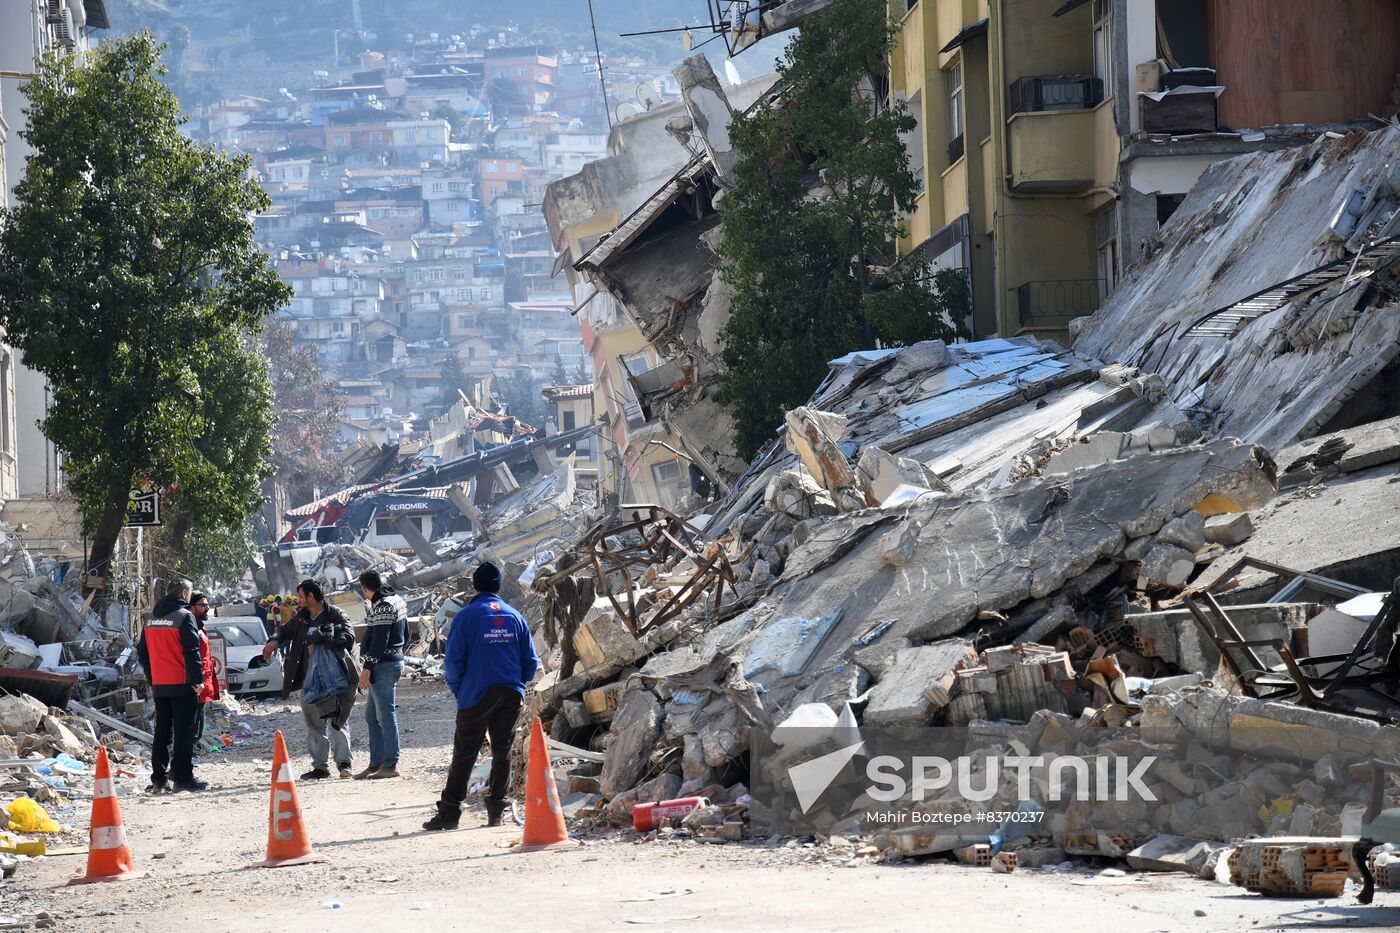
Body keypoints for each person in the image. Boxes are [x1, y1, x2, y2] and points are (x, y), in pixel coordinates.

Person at [424, 561, 538, 831]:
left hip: (476, 693)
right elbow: (531, 663)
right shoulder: (515, 616)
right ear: (498, 586)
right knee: (503, 750)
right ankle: (496, 810)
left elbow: (452, 663)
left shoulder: (466, 616)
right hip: (511, 692)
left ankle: (450, 814)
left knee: (465, 754)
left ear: (475, 586)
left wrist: (459, 691)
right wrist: (518, 685)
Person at [261, 579, 359, 779]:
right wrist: (273, 641)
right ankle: (320, 767)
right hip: (309, 680)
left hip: (334, 680)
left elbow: (348, 636)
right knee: (313, 725)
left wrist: (317, 638)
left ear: (311, 597)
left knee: (337, 721)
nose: (298, 600)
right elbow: (285, 631)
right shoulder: (301, 618)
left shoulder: (335, 614)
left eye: (301, 596)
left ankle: (344, 764)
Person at [136, 579, 206, 793]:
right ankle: (183, 779)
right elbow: (191, 651)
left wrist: (152, 678)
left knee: (162, 733)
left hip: (160, 685)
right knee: (185, 732)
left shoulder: (150, 619)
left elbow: (142, 651)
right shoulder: (185, 617)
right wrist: (197, 681)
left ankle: (159, 778)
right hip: (183, 683)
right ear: (185, 593)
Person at [355, 570, 408, 780]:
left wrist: (367, 668)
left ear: (364, 588)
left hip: (383, 666)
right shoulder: (395, 599)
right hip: (389, 662)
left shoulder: (383, 606)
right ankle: (376, 762)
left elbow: (380, 641)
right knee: (372, 717)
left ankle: (390, 764)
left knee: (385, 715)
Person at [188, 593, 220, 750]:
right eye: (202, 605)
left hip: (203, 684)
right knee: (192, 727)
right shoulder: (190, 627)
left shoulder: (201, 628)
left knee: (198, 727)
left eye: (207, 605)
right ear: (192, 607)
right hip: (196, 684)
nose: (207, 608)